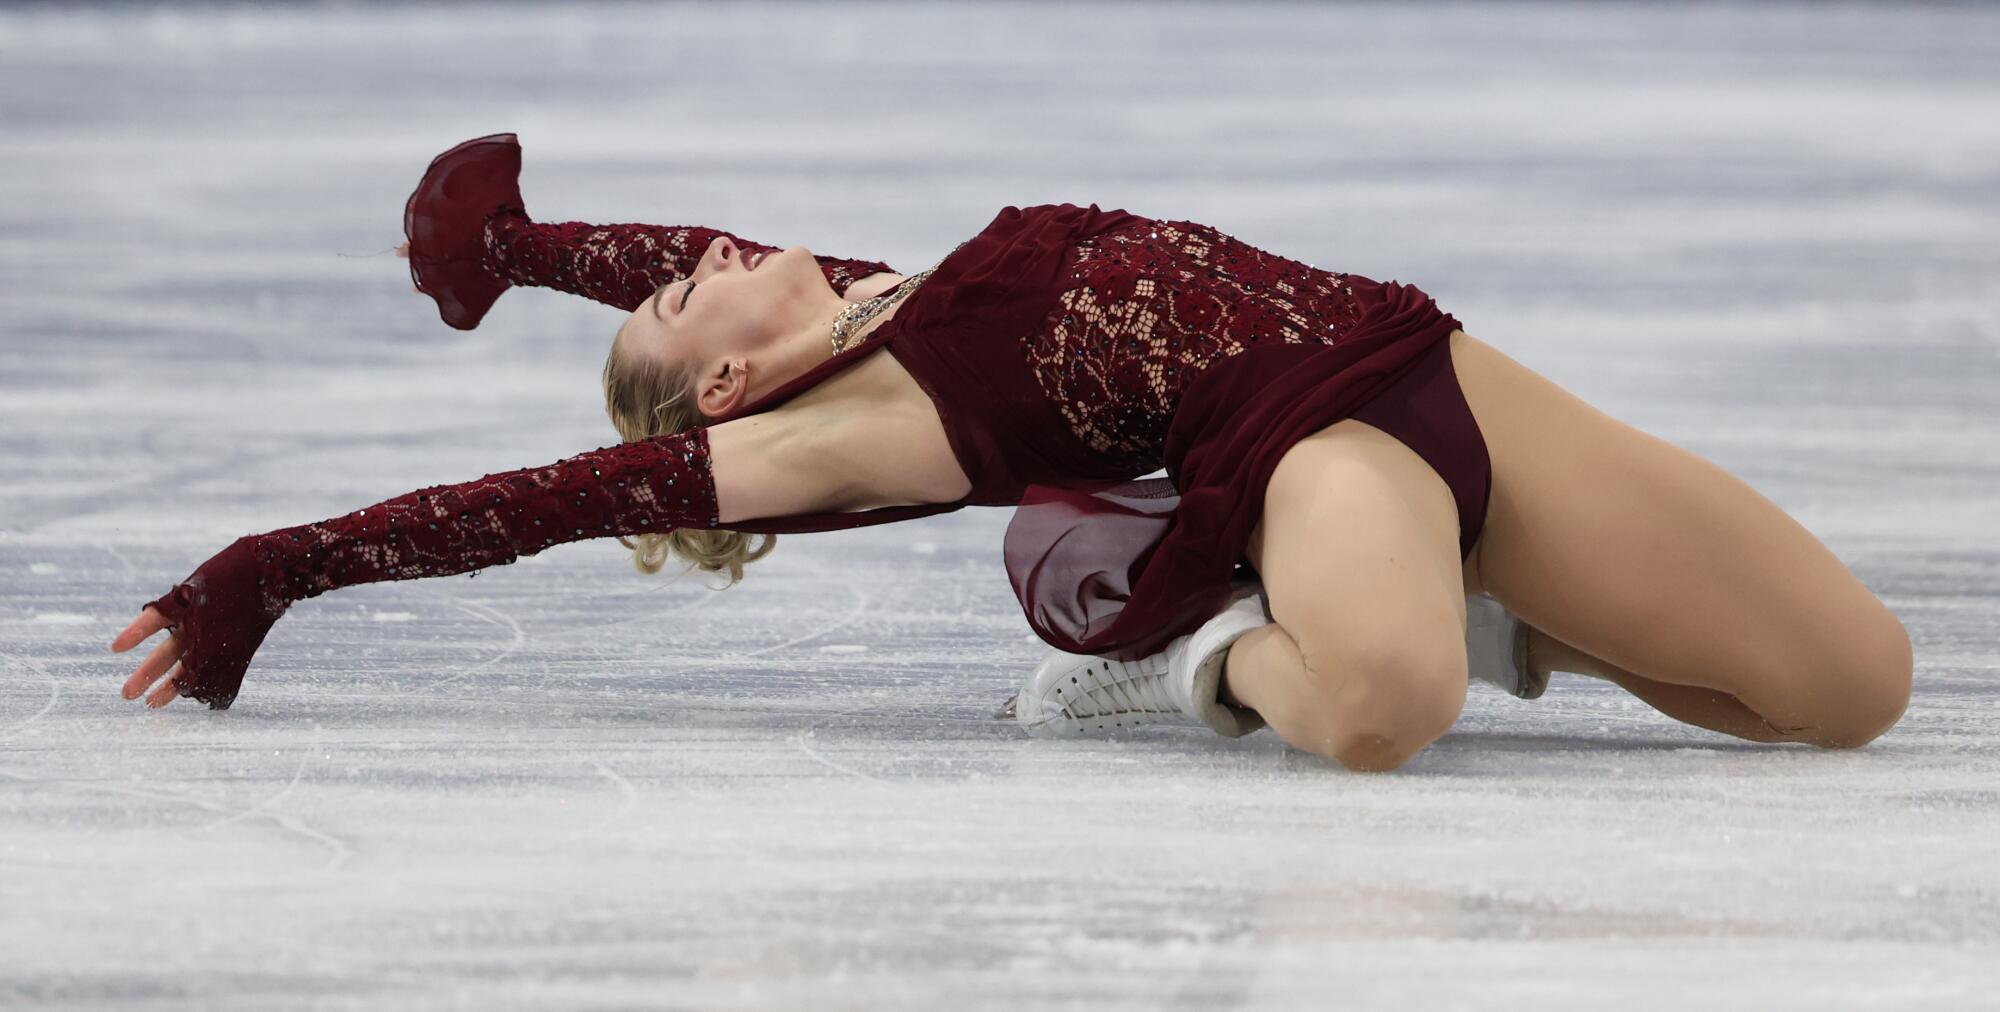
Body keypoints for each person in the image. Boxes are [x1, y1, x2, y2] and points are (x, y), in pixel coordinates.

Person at [112, 134, 1913, 772]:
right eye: (676, 291)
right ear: (720, 390)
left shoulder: (854, 297)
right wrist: (273, 571)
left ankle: (1493, 612)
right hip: (1301, 457)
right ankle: (1202, 661)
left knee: (1846, 694)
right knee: (1385, 706)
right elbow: (521, 510)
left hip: (1424, 359)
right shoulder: (830, 440)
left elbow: (646, 265)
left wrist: (514, 252)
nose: (693, 256)